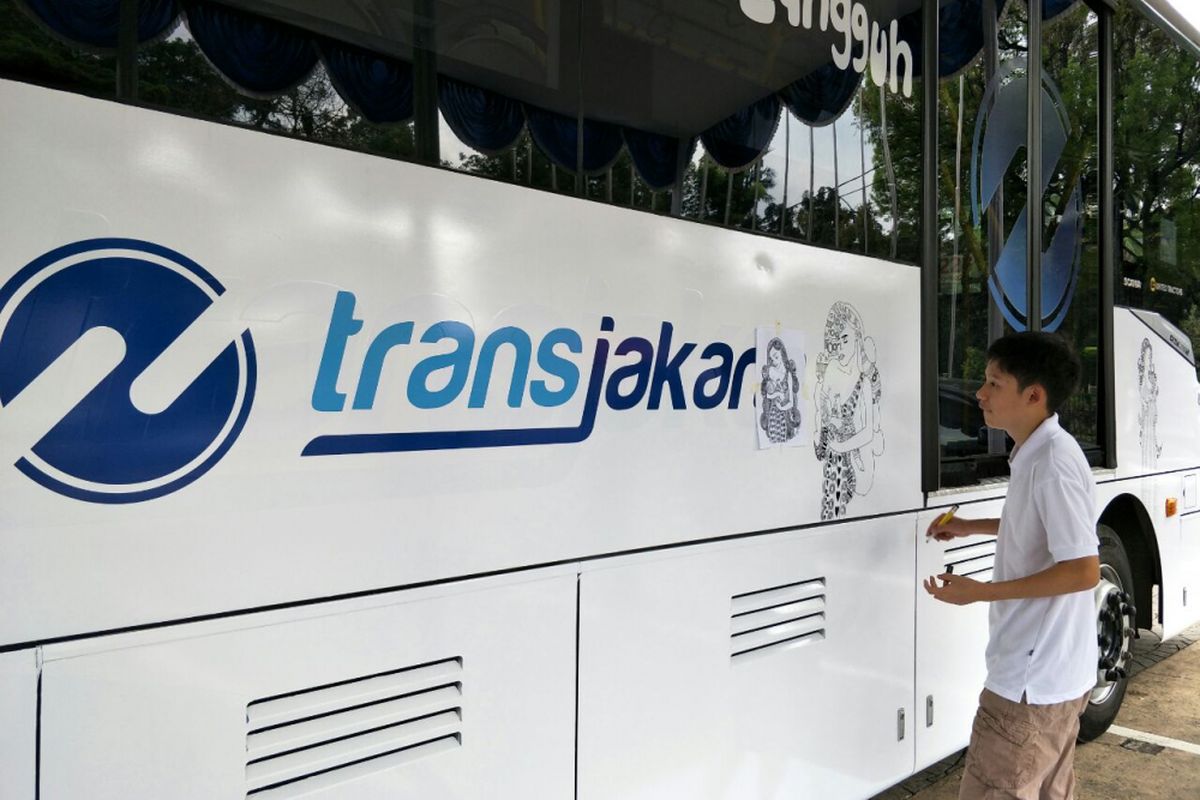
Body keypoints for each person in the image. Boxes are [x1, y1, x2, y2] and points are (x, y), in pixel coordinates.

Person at [924, 331, 1100, 800]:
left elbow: (1083, 569)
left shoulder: (1053, 463)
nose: (980, 393)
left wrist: (978, 591)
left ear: (1034, 395)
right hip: (1054, 681)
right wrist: (970, 526)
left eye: (994, 383)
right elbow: (1038, 531)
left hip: (1028, 687)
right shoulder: (1041, 453)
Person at [813, 301, 883, 519]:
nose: (839, 346)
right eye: (836, 341)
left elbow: (868, 430)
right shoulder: (833, 376)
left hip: (850, 465)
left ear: (857, 339)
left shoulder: (864, 380)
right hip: (832, 463)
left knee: (839, 513)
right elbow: (822, 419)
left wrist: (842, 446)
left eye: (845, 340)